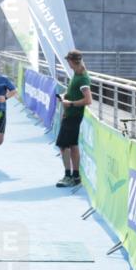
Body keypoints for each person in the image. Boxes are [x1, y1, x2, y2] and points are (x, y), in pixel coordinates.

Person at [55, 50, 93, 187]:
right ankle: (75, 176)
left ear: (72, 61)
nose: (67, 63)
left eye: (68, 61)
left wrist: (70, 103)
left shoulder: (82, 77)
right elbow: (76, 93)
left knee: (63, 145)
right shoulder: (77, 74)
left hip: (73, 116)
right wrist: (66, 96)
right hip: (72, 115)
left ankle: (68, 176)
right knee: (73, 145)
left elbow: (88, 100)